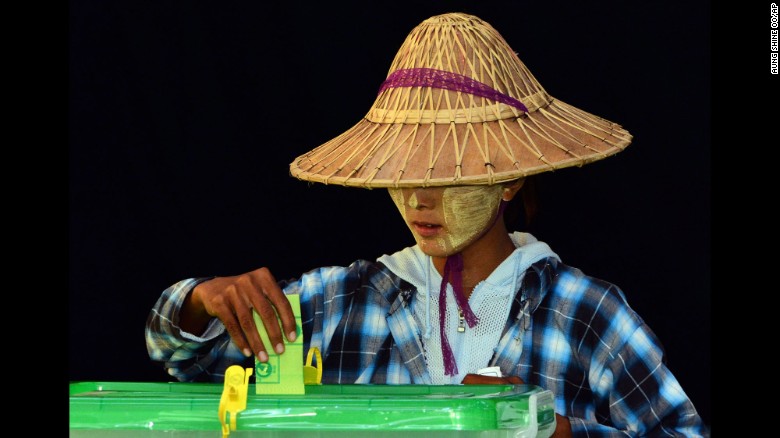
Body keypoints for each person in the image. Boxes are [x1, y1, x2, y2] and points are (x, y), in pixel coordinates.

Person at [146, 12, 709, 437]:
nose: (420, 197)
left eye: (447, 172)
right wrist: (203, 299)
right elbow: (183, 360)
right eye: (405, 171)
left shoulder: (586, 315)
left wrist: (548, 427)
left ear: (507, 180)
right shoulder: (341, 301)